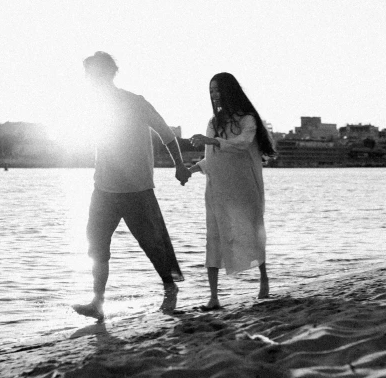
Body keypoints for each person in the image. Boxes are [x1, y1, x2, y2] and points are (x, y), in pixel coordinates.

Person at [72, 51, 191, 321]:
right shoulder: (92, 106)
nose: (90, 79)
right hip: (103, 188)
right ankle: (97, 303)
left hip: (136, 188)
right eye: (88, 75)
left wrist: (180, 166)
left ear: (109, 73)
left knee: (152, 243)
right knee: (96, 243)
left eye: (94, 74)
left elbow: (167, 133)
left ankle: (170, 289)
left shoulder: (135, 102)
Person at [189, 72, 276, 310]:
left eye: (218, 90)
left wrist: (214, 142)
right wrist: (193, 169)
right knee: (213, 236)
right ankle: (214, 297)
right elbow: (214, 159)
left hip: (243, 188)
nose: (214, 95)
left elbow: (242, 144)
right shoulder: (213, 123)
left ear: (229, 91)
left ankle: (264, 281)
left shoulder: (247, 119)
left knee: (252, 231)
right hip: (217, 190)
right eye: (211, 91)